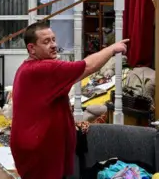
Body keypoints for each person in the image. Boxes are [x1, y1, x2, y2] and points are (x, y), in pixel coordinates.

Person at [10, 22, 129, 179]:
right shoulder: (42, 69)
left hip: (42, 148)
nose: (53, 45)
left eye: (53, 39)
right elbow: (87, 67)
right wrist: (112, 49)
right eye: (46, 42)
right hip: (39, 151)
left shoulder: (33, 68)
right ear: (32, 48)